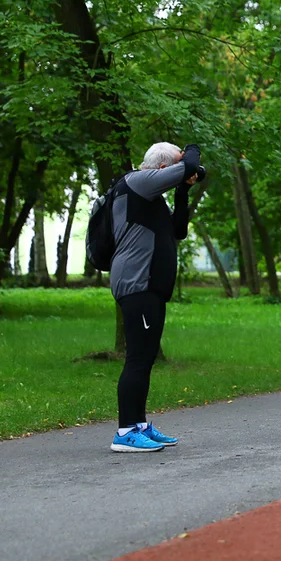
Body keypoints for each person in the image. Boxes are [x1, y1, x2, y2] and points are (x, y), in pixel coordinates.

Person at [109, 142, 202, 452]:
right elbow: (190, 165)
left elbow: (178, 230)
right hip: (137, 284)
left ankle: (138, 425)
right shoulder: (136, 181)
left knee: (145, 358)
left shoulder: (152, 198)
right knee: (137, 358)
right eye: (176, 166)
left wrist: (183, 191)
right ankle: (125, 433)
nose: (183, 168)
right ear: (163, 170)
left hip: (150, 288)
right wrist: (191, 150)